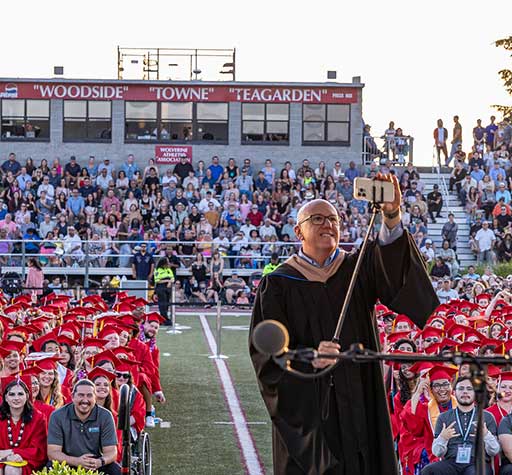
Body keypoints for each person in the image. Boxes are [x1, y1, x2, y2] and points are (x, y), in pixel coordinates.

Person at [249, 174, 438, 475]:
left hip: (361, 400)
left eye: (334, 218)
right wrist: (310, 358)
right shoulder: (278, 284)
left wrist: (390, 216)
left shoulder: (356, 267)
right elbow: (267, 355)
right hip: (311, 413)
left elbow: (395, 275)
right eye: (318, 219)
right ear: (298, 231)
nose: (328, 225)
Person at [422, 376, 499, 475]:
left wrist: (486, 435)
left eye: (469, 389)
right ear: (454, 392)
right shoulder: (443, 417)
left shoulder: (486, 416)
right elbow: (437, 453)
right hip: (451, 462)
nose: (465, 392)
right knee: (429, 471)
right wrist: (443, 438)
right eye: (461, 389)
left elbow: (494, 451)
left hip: (476, 462)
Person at [47, 379, 120, 475]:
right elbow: (53, 453)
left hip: (95, 464)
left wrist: (100, 461)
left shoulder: (105, 416)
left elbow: (111, 452)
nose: (85, 400)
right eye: (81, 395)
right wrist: (77, 461)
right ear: (73, 397)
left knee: (116, 470)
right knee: (50, 467)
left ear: (95, 398)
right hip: (67, 463)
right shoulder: (58, 416)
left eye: (89, 395)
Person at [153, 257, 175, 323]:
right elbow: (157, 280)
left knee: (167, 303)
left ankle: (164, 318)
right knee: (163, 304)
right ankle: (164, 319)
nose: (168, 263)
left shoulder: (168, 269)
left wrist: (170, 282)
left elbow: (172, 278)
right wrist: (167, 280)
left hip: (168, 288)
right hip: (161, 287)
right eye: (167, 262)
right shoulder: (157, 270)